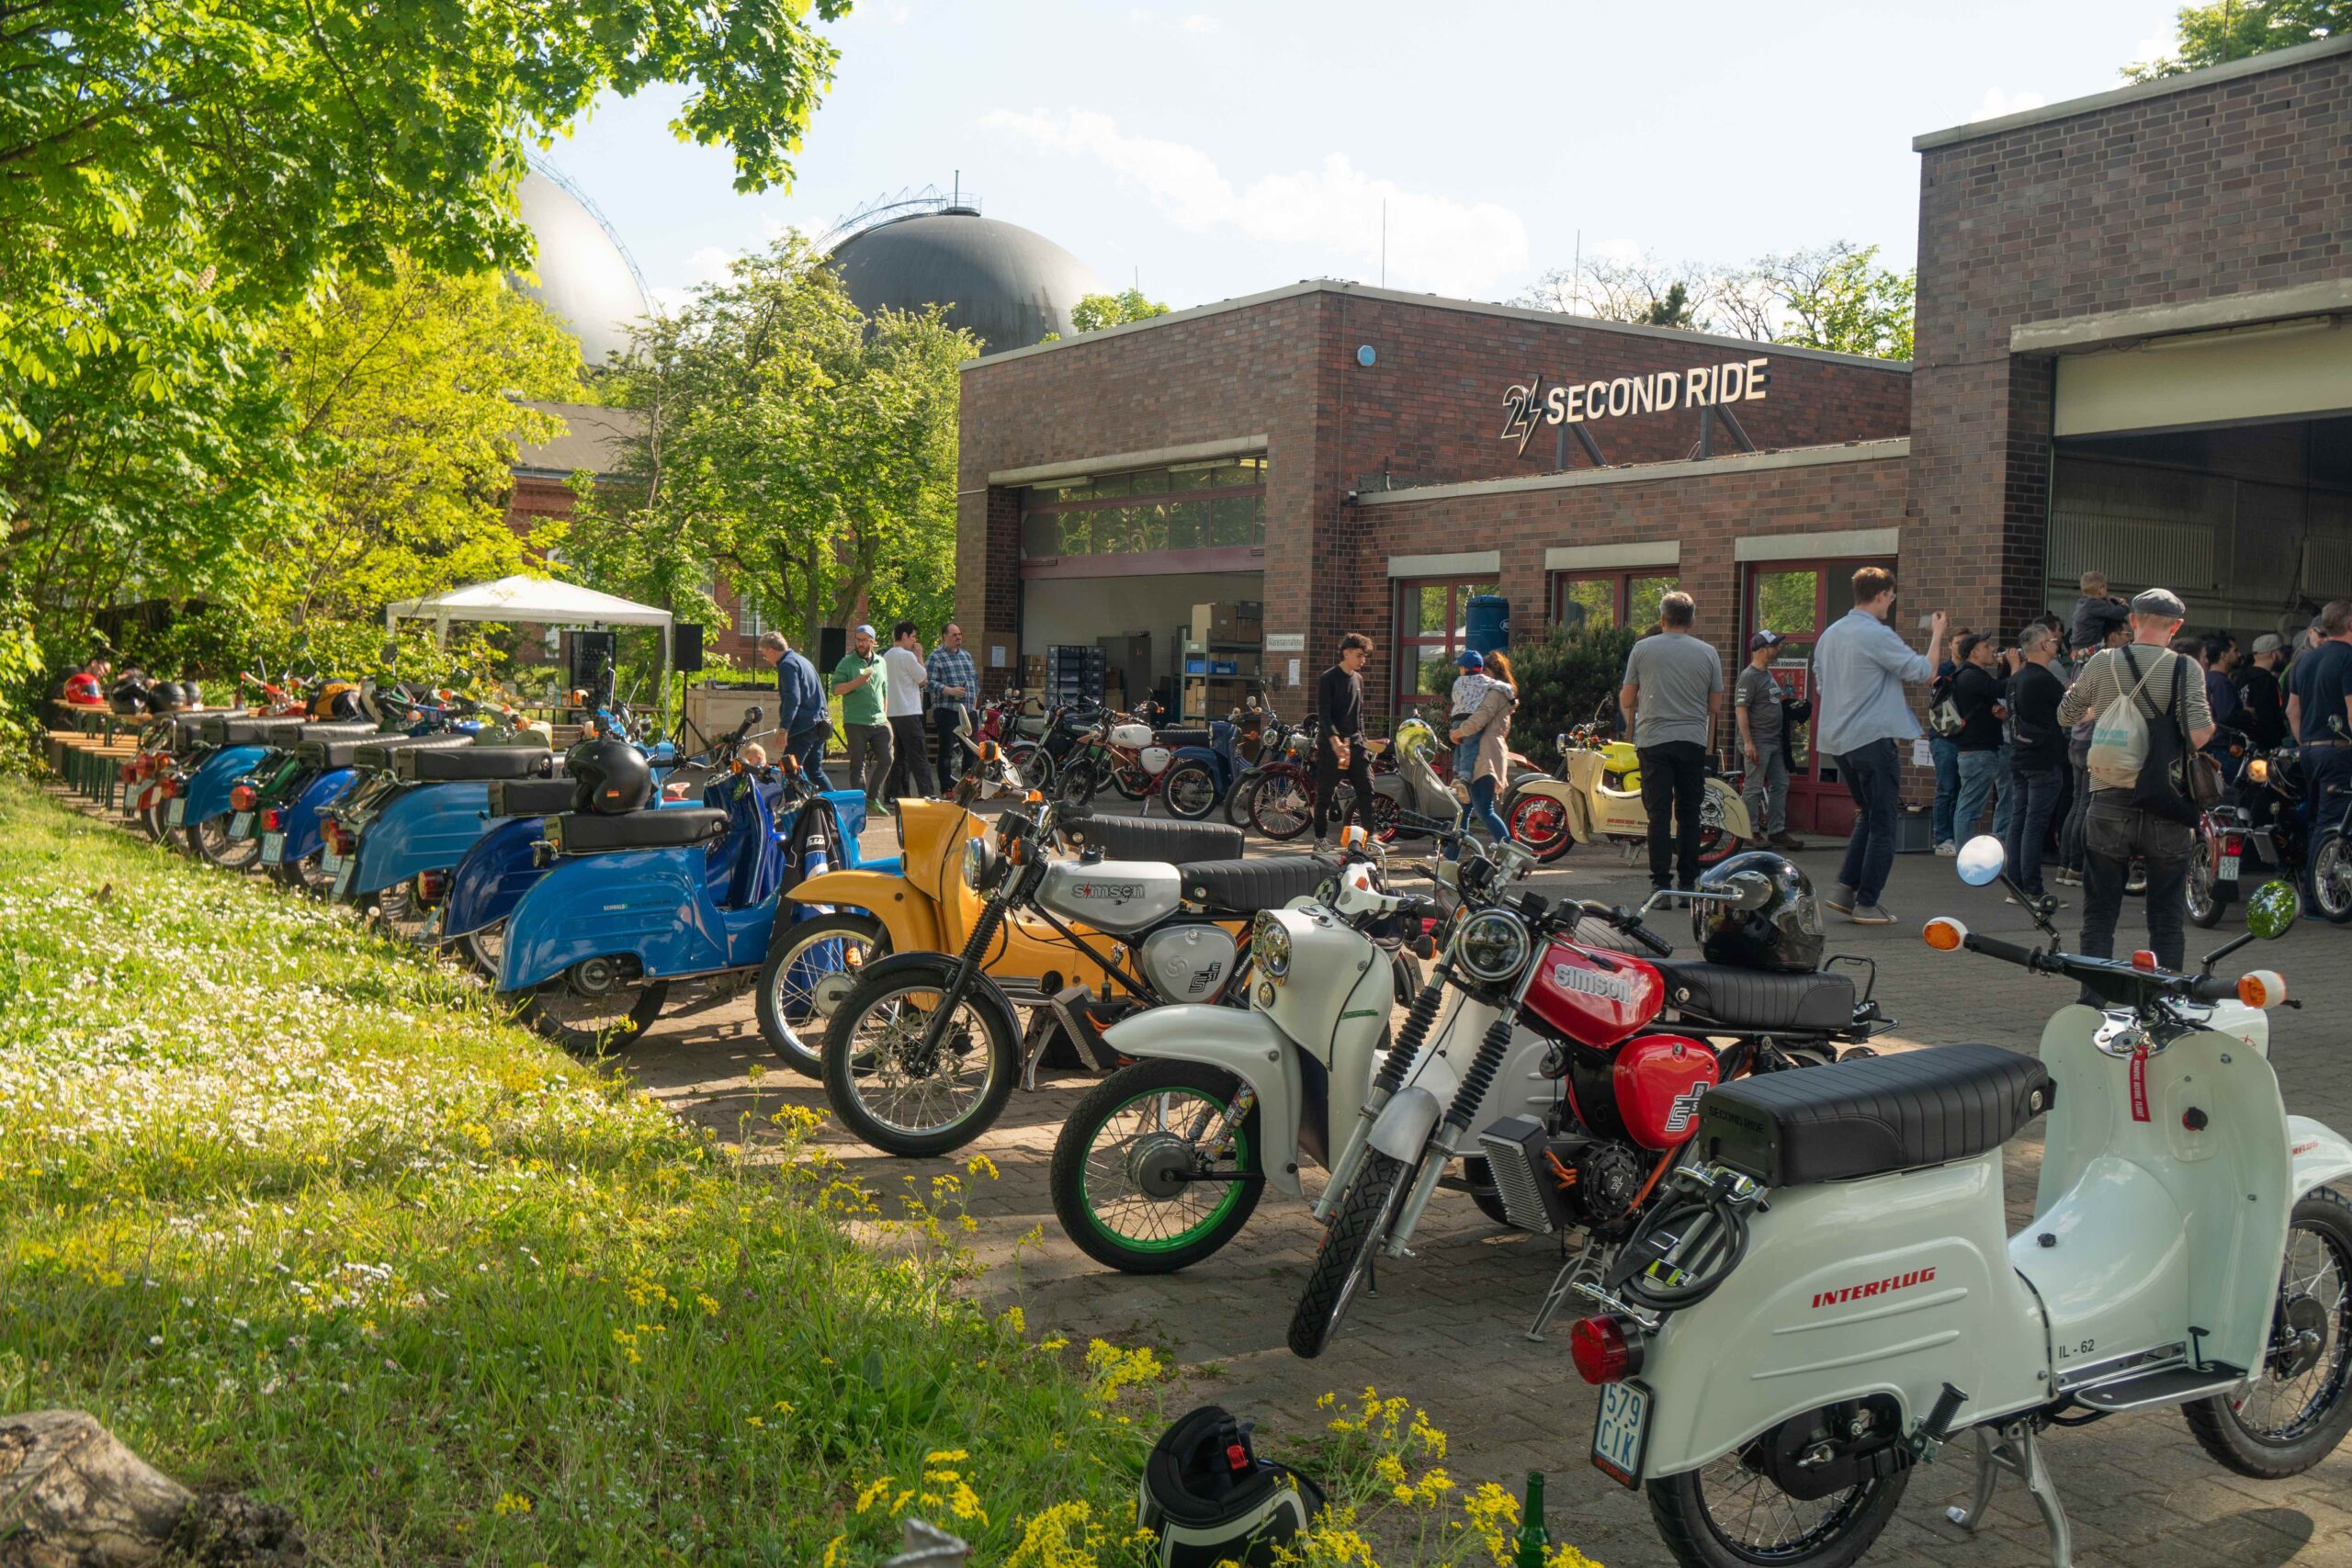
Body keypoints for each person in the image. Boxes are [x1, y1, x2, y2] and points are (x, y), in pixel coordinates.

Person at [2057, 588, 2212, 976]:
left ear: (2133, 621)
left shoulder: (2102, 661)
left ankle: (2092, 999)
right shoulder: (2185, 668)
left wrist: (2103, 709)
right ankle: (2166, 1003)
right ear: (2176, 627)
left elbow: (2066, 714)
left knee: (2099, 915)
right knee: (2165, 919)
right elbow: (2197, 734)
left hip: (2109, 795)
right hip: (2167, 799)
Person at [1811, 566, 1948, 926]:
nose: (1891, 602)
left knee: (1868, 815)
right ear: (1883, 594)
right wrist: (1937, 635)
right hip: (1872, 738)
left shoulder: (1830, 635)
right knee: (1885, 824)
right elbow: (1924, 672)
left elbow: (1823, 686)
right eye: (1891, 596)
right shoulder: (1875, 634)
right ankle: (1867, 903)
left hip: (1839, 740)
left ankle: (1844, 889)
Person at [1618, 591, 1725, 895]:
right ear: (1692, 621)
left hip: (1653, 740)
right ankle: (1688, 882)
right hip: (1692, 740)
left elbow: (1627, 699)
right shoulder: (1708, 653)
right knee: (1690, 814)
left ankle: (1660, 884)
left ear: (1662, 618)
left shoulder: (1642, 649)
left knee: (1659, 814)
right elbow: (1715, 705)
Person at [2003, 623, 2070, 905]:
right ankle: (2033, 889)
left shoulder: (2016, 679)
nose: (2057, 645)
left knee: (2019, 820)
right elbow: (2070, 712)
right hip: (2044, 759)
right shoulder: (2044, 680)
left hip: (2020, 756)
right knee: (2034, 823)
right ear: (2044, 645)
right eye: (2054, 641)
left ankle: (2016, 885)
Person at [1735, 631, 1805, 852]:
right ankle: (1750, 831)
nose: (1778, 649)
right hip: (1759, 741)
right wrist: (1748, 742)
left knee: (1780, 784)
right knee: (1754, 786)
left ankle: (1776, 830)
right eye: (1774, 646)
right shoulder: (1749, 676)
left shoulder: (1767, 674)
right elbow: (1741, 709)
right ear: (1762, 650)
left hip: (1775, 741)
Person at [2286, 599, 2352, 822]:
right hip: (2338, 752)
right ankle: (2330, 858)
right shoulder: (2348, 658)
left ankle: (2317, 858)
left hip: (2308, 752)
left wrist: (2306, 742)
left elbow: (2292, 710)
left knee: (2316, 821)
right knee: (2334, 821)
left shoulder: (2304, 660)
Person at [1312, 633, 1375, 849]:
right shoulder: (1328, 678)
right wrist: (1334, 741)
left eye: (1364, 656)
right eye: (1359, 656)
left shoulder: (1359, 680)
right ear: (1346, 653)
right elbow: (1324, 713)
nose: (1363, 661)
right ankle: (1320, 839)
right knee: (1325, 794)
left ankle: (1369, 838)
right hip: (1334, 747)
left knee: (1367, 790)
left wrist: (1364, 743)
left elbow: (1359, 715)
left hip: (1356, 745)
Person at [1451, 650, 1516, 848]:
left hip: (1485, 755)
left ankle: (1511, 852)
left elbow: (1480, 719)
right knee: (1463, 809)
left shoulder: (1495, 693)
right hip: (1480, 754)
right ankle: (1450, 858)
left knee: (1484, 810)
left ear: (1487, 671)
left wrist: (1458, 732)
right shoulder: (1491, 691)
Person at [1951, 632, 2008, 841]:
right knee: (1969, 808)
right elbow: (2002, 688)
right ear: (1974, 652)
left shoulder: (1969, 675)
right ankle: (1964, 857)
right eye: (1986, 646)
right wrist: (2018, 667)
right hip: (1978, 754)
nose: (1992, 649)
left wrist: (1998, 717)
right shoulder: (1970, 676)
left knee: (1968, 805)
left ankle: (1966, 852)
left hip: (1979, 752)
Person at [757, 629, 831, 789]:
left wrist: (784, 728)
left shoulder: (786, 665)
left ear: (772, 650)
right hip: (820, 723)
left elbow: (792, 698)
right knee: (814, 771)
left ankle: (794, 812)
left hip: (804, 727)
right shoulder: (802, 660)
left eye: (765, 654)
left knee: (789, 771)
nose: (766, 658)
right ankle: (835, 806)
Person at [831, 624, 893, 811]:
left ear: (873, 642)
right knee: (858, 763)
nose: (860, 644)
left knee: (887, 758)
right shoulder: (846, 663)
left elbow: (884, 690)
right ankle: (859, 802)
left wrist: (885, 715)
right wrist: (857, 682)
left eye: (864, 640)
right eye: (858, 640)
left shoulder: (880, 662)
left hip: (879, 720)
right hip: (855, 721)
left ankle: (872, 797)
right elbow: (836, 689)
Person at [881, 620, 937, 803]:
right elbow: (923, 679)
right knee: (919, 755)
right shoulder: (907, 656)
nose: (914, 641)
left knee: (898, 756)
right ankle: (927, 792)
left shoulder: (885, 656)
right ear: (904, 636)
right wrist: (920, 655)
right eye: (913, 637)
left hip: (891, 712)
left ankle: (891, 793)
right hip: (909, 712)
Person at [926, 623, 978, 788]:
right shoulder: (936, 657)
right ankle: (947, 787)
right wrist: (948, 690)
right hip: (948, 711)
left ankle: (967, 787)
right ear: (945, 636)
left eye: (960, 634)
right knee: (946, 750)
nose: (958, 637)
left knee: (971, 751)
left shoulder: (966, 655)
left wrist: (975, 701)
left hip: (968, 711)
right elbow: (928, 682)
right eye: (954, 635)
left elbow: (975, 680)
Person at [1928, 632, 1966, 854]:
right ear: (1950, 644)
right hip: (1943, 736)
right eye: (1958, 642)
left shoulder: (1969, 670)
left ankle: (1954, 835)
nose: (1961, 647)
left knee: (1959, 788)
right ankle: (1942, 838)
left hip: (1963, 737)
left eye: (1965, 643)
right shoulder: (1944, 671)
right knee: (1946, 787)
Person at [2237, 632, 2290, 750]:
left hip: (2245, 743)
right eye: (2281, 652)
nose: (2283, 656)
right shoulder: (2268, 682)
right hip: (2266, 745)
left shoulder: (2242, 677)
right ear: (2273, 654)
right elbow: (2271, 715)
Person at [2068, 571, 2129, 659]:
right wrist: (2124, 606)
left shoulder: (2083, 602)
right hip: (2088, 647)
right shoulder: (2096, 605)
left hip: (2077, 648)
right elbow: (2116, 613)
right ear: (2101, 590)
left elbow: (2108, 598)